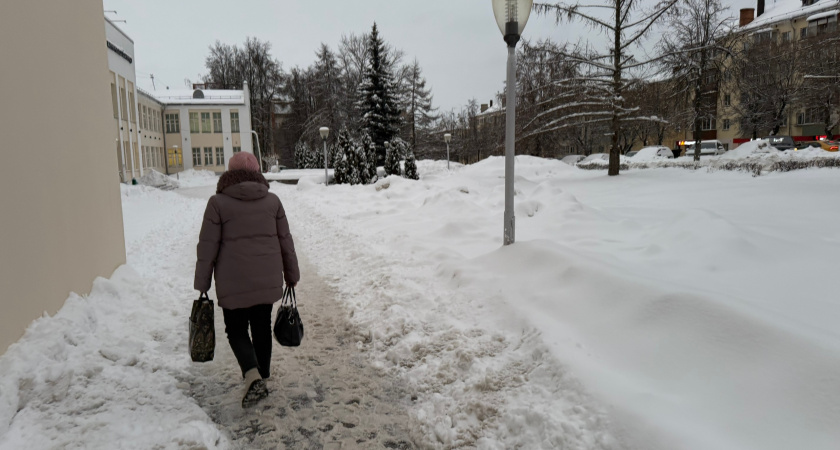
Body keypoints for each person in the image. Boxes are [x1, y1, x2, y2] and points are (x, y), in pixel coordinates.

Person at [194, 151, 300, 408]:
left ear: (230, 175)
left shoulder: (217, 203)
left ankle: (252, 375)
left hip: (233, 282)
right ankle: (261, 374)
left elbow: (207, 247)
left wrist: (202, 283)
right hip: (266, 280)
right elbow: (286, 241)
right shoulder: (273, 201)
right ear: (257, 174)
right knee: (261, 326)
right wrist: (291, 274)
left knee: (236, 330)